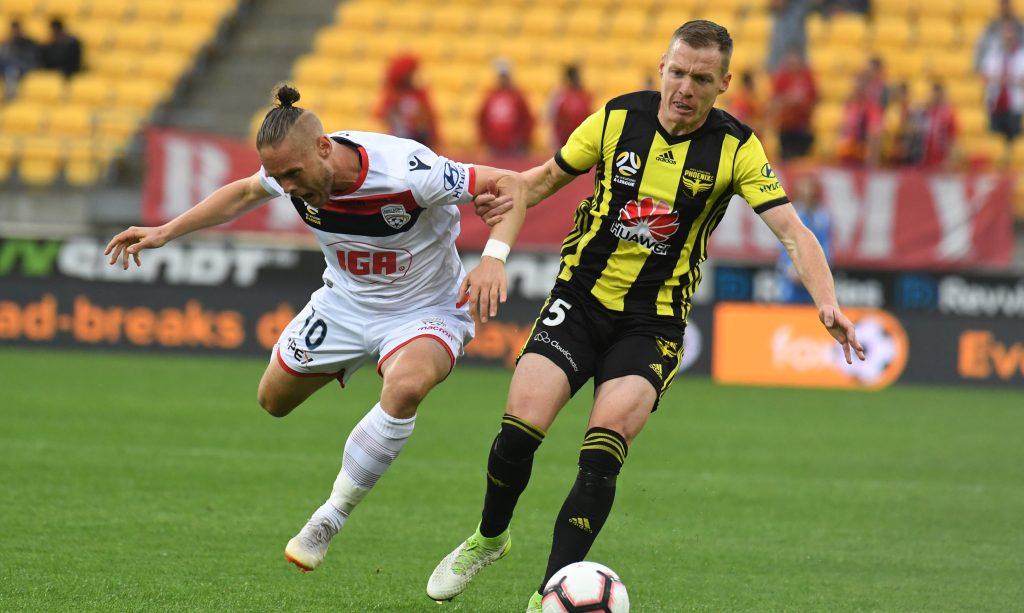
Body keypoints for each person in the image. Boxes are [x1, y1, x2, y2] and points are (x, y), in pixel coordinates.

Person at [425, 20, 865, 612]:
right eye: (677, 72)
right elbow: (543, 180)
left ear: (724, 83)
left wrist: (826, 300)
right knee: (516, 433)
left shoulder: (737, 148)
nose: (685, 87)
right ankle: (489, 537)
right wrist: (491, 230)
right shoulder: (615, 118)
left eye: (701, 79)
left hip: (652, 324)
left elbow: (792, 231)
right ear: (663, 65)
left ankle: (545, 598)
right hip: (578, 302)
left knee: (601, 454)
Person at [104, 85, 527, 574]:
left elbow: (512, 184)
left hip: (424, 308)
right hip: (344, 305)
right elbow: (242, 192)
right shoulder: (291, 171)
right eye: (279, 177)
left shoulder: (410, 171)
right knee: (273, 401)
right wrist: (163, 232)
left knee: (406, 386)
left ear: (324, 147)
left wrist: (493, 259)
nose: (286, 188)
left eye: (293, 174)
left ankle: (330, 517)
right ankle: (352, 373)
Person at [777, 175, 831, 304]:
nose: (806, 192)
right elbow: (784, 243)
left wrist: (817, 271)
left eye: (809, 188)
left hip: (814, 280)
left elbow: (826, 247)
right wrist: (791, 269)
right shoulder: (791, 213)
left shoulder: (822, 218)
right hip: (792, 280)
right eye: (803, 188)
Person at [374, 53, 440, 147]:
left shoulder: (420, 94)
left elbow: (429, 120)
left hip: (420, 141)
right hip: (400, 140)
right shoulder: (393, 96)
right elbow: (383, 117)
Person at [981, 22, 1024, 152]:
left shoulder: (1021, 56)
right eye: (1005, 36)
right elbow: (985, 76)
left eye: (1010, 36)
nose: (1007, 39)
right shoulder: (994, 55)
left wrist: (1009, 79)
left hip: (1014, 105)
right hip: (995, 104)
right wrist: (1001, 78)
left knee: (1014, 141)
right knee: (994, 143)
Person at [477, 59, 535, 156]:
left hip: (515, 148)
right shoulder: (490, 95)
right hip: (494, 148)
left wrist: (522, 140)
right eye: (501, 77)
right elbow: (481, 118)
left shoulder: (518, 96)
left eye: (505, 76)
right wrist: (486, 139)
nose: (503, 79)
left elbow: (527, 119)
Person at [770, 48, 818, 160]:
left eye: (796, 62)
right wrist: (789, 98)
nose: (793, 65)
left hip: (803, 126)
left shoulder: (807, 77)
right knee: (786, 159)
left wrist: (803, 101)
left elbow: (815, 98)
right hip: (785, 127)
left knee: (802, 162)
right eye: (791, 63)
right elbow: (774, 101)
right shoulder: (781, 78)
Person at [548, 64, 593, 148]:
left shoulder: (585, 95)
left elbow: (590, 116)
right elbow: (552, 117)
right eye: (576, 76)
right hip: (564, 142)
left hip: (583, 141)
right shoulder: (560, 95)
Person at [916, 81, 958, 169]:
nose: (932, 96)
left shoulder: (948, 114)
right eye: (931, 93)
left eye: (935, 94)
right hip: (925, 161)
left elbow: (952, 138)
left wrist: (949, 160)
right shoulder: (926, 112)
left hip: (941, 161)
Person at [974, 0, 1024, 72]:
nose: (1004, 8)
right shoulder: (991, 29)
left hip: (1017, 72)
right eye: (1002, 5)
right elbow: (980, 49)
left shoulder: (1020, 28)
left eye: (1006, 4)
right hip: (994, 72)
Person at [0, 19, 40, 99]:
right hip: (8, 68)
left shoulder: (28, 43)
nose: (14, 33)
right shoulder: (7, 43)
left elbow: (31, 58)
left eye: (16, 30)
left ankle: (11, 96)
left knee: (12, 71)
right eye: (13, 31)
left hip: (24, 67)